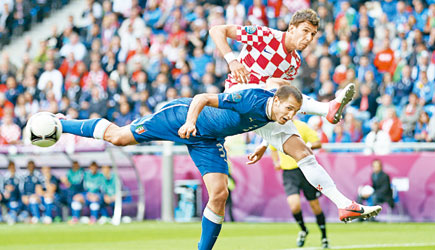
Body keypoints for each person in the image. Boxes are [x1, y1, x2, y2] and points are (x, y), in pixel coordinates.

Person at [52, 84, 303, 250]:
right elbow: (202, 97)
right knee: (118, 138)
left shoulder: (274, 115)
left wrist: (262, 146)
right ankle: (63, 124)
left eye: (296, 111)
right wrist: (191, 121)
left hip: (207, 140)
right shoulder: (252, 98)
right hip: (180, 117)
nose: (291, 115)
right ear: (277, 99)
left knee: (219, 193)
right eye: (289, 108)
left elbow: (265, 127)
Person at [209, 8, 381, 225]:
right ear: (291, 28)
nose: (308, 38)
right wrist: (232, 61)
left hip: (261, 107)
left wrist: (265, 142)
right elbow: (217, 30)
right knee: (276, 86)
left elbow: (281, 108)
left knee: (303, 152)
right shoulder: (266, 35)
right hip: (236, 97)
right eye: (305, 31)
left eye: (312, 35)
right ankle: (325, 108)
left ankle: (344, 204)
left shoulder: (294, 63)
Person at [270, 119, 328, 248]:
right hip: (289, 173)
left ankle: (324, 236)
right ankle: (303, 229)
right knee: (294, 206)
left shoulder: (302, 126)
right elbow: (272, 147)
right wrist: (276, 162)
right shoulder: (276, 128)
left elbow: (317, 143)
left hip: (305, 169)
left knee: (315, 206)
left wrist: (305, 147)